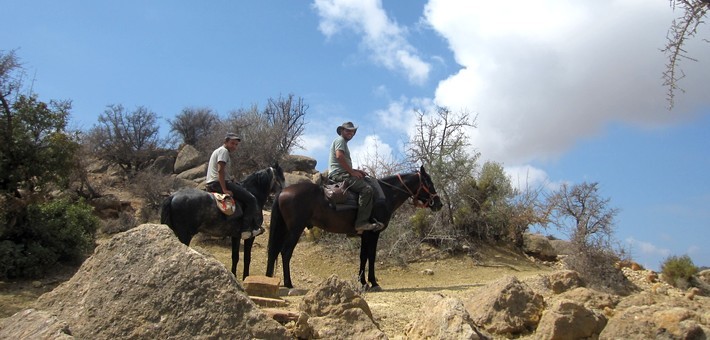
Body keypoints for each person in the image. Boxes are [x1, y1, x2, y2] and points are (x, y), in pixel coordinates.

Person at [205, 133, 264, 240]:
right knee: (251, 199)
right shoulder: (223, 151)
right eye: (232, 143)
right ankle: (246, 229)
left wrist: (232, 181)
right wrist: (224, 189)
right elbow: (220, 170)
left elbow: (224, 172)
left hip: (213, 182)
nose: (234, 146)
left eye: (236, 145)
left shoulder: (220, 151)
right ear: (226, 142)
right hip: (217, 183)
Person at [328, 122, 383, 233]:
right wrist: (352, 172)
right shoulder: (340, 141)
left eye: (352, 131)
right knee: (367, 189)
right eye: (348, 130)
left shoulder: (342, 142)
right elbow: (339, 156)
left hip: (342, 172)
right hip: (339, 175)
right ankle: (361, 223)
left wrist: (357, 171)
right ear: (342, 131)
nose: (351, 133)